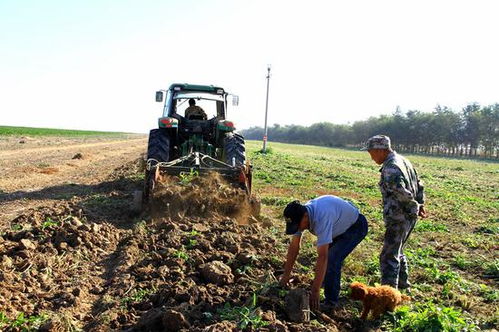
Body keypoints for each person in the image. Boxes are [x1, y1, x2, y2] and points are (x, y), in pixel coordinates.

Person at [279, 196, 368, 310]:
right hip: (337, 225)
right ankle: (325, 283)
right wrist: (286, 275)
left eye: (297, 226)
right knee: (328, 261)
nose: (297, 229)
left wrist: (315, 291)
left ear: (305, 217)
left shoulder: (321, 218)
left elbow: (323, 257)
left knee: (332, 259)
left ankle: (331, 302)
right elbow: (294, 248)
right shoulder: (301, 215)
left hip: (355, 227)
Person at [362, 135, 427, 289]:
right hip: (409, 216)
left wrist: (413, 206)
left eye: (371, 152)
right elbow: (419, 184)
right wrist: (420, 204)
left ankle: (388, 296)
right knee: (398, 251)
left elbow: (400, 192)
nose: (371, 157)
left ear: (380, 150)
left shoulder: (391, 167)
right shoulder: (404, 161)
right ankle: (403, 288)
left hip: (399, 217)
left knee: (388, 256)